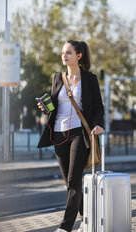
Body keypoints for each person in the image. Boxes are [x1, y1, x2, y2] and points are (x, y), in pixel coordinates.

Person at [37, 40, 104, 232]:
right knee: (69, 182)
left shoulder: (90, 80)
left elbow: (99, 108)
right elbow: (55, 108)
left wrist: (98, 124)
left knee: (74, 181)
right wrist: (45, 108)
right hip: (59, 133)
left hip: (79, 133)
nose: (64, 56)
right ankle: (85, 220)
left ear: (79, 56)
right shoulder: (58, 78)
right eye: (62, 53)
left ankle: (64, 227)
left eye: (68, 53)